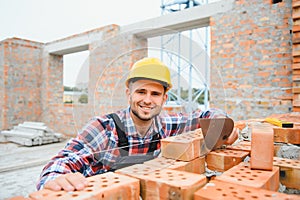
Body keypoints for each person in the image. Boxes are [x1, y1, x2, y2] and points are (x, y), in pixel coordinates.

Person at [36, 57, 238, 191]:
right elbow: (59, 163)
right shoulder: (104, 129)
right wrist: (54, 179)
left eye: (155, 94)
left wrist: (222, 125)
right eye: (141, 92)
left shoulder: (167, 125)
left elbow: (206, 114)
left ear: (164, 98)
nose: (148, 100)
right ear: (129, 94)